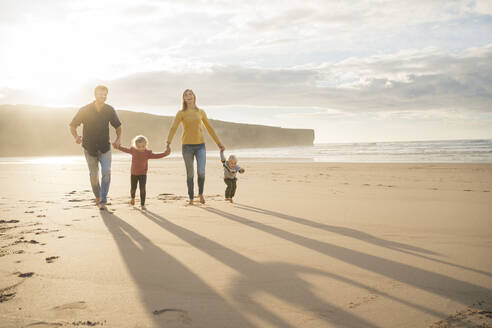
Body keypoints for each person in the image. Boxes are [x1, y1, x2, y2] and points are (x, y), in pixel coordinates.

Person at [166, 89, 224, 205]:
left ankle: (201, 193)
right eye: (186, 95)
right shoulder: (181, 113)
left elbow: (209, 128)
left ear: (194, 97)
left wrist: (218, 143)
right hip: (187, 147)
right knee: (190, 173)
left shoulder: (201, 112)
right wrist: (168, 142)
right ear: (184, 99)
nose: (188, 96)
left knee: (201, 172)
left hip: (200, 146)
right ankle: (191, 197)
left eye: (190, 94)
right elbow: (173, 127)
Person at [69, 85, 121, 210]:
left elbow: (118, 126)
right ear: (95, 94)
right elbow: (72, 125)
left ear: (106, 95)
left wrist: (118, 139)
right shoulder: (85, 110)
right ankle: (97, 196)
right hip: (89, 148)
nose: (102, 96)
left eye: (104, 94)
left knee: (106, 172)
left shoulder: (109, 110)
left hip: (105, 148)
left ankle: (103, 200)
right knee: (93, 175)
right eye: (99, 94)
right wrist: (76, 136)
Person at [114, 135, 171, 210]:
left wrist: (165, 153)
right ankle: (133, 198)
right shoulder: (133, 150)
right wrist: (117, 147)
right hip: (134, 173)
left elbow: (157, 156)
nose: (141, 148)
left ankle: (142, 204)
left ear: (146, 145)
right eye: (139, 146)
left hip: (143, 174)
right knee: (133, 189)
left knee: (142, 189)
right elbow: (124, 149)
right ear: (135, 145)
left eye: (143, 146)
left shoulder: (147, 153)